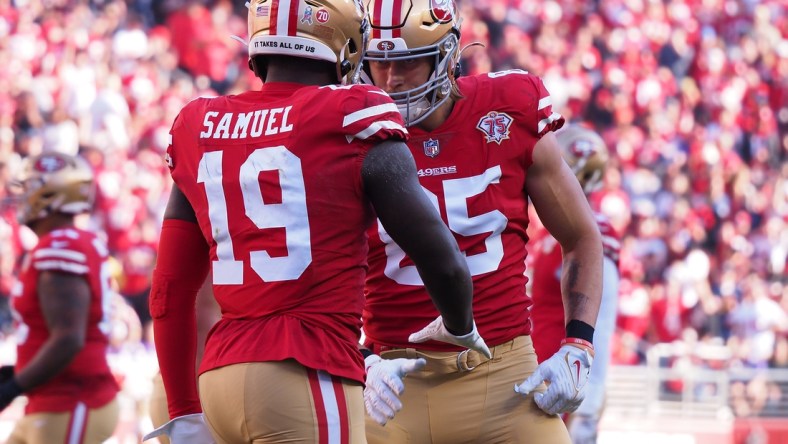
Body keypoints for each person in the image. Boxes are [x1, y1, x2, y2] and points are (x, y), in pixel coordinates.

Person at [144, 0, 490, 443]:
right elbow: (441, 259)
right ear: (346, 43)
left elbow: (169, 289)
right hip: (306, 371)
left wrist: (183, 409)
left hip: (218, 378)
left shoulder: (199, 122)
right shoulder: (352, 113)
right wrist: (459, 323)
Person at [359, 1, 603, 443]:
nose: (391, 79)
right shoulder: (350, 128)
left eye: (409, 61)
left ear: (448, 54)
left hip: (503, 376)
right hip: (390, 388)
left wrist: (578, 344)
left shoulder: (509, 110)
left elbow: (581, 237)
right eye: (378, 62)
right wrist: (360, 358)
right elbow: (311, 269)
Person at [2, 152, 120, 443]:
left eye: (30, 187)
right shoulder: (73, 240)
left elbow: (69, 337)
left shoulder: (60, 246)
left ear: (51, 194)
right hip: (50, 400)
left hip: (72, 398)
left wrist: (16, 385)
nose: (23, 196)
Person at [530, 124, 622, 444]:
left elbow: (603, 318)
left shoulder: (592, 231)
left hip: (559, 384)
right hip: (534, 373)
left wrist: (589, 405)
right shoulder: (552, 226)